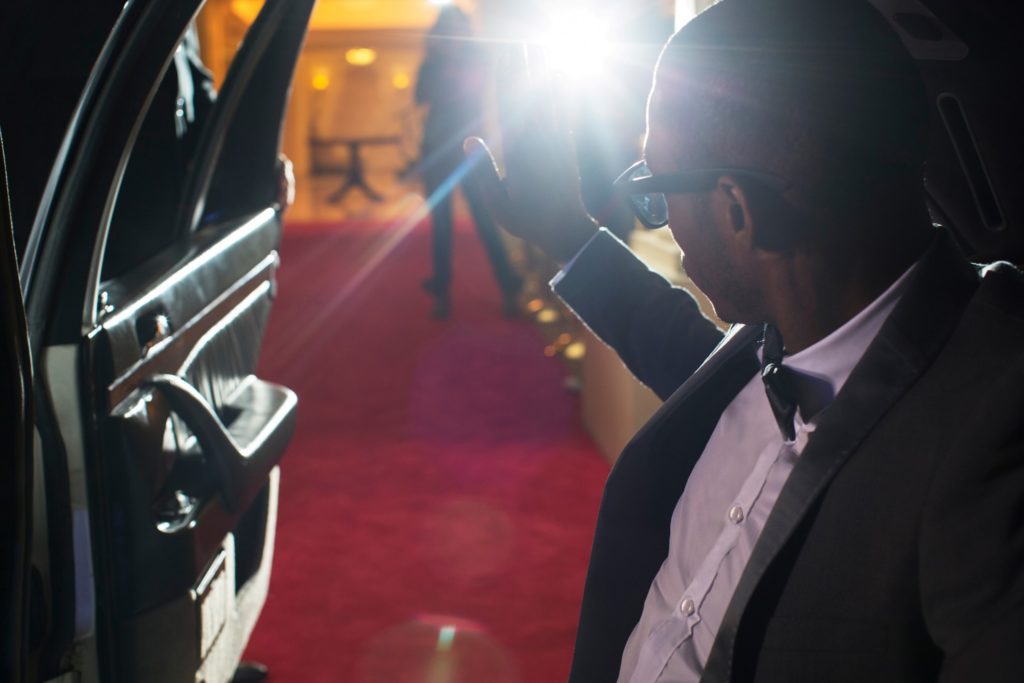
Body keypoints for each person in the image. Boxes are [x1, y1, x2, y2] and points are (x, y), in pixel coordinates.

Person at [464, 0, 1024, 681]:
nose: (662, 220)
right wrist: (567, 234)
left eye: (655, 189)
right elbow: (688, 356)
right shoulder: (790, 331)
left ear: (738, 211)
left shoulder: (993, 426)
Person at [415, 5, 522, 319]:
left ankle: (509, 288)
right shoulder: (431, 62)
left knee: (486, 220)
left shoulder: (476, 57)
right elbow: (419, 97)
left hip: (469, 149)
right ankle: (442, 293)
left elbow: (474, 93)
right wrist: (437, 60)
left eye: (458, 26)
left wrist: (452, 64)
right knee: (442, 225)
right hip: (436, 150)